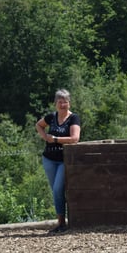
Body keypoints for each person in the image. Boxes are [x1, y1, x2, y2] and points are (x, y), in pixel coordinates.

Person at [35, 89, 80, 234]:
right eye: (60, 102)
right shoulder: (51, 117)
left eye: (65, 102)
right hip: (49, 159)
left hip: (64, 160)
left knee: (58, 189)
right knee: (56, 191)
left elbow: (74, 138)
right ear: (55, 104)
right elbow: (38, 125)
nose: (62, 105)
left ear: (69, 103)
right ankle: (61, 222)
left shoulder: (73, 118)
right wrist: (44, 136)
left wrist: (55, 139)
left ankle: (63, 221)